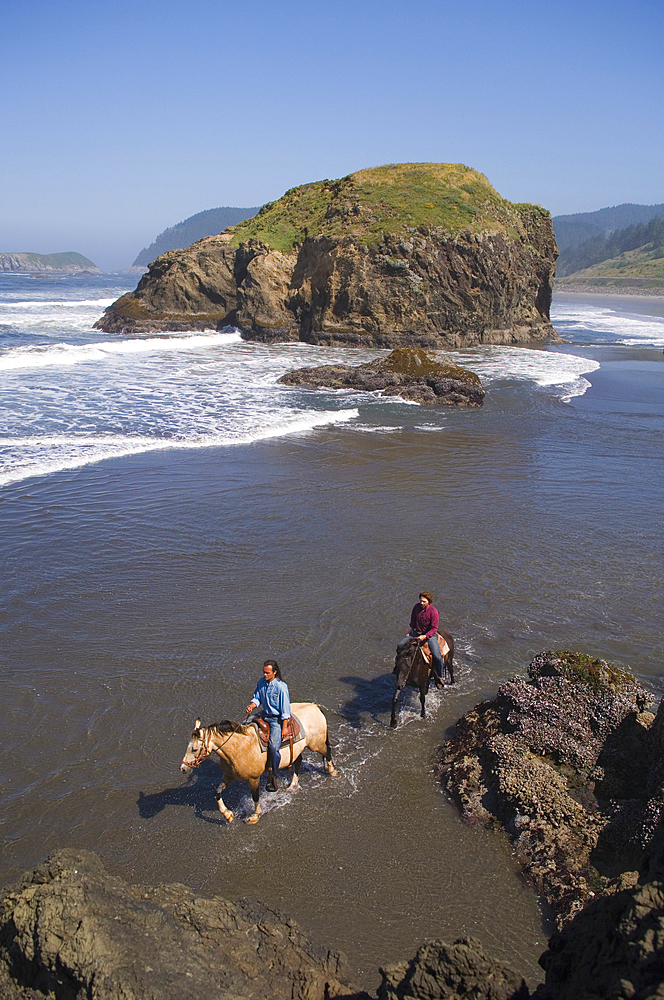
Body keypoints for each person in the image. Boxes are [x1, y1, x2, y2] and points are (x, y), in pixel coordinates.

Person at [246, 658, 292, 791]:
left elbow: (285, 711)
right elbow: (257, 697)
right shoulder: (261, 682)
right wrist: (252, 705)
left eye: (267, 673)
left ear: (275, 672)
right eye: (264, 672)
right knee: (244, 725)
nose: (265, 675)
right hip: (265, 713)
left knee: (273, 746)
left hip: (276, 719)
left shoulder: (281, 687)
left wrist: (284, 728)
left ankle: (274, 772)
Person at [397, 591, 445, 687]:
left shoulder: (434, 612)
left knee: (437, 656)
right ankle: (398, 668)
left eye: (424, 601)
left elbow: (434, 629)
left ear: (429, 602)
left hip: (430, 635)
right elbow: (413, 619)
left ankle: (439, 676)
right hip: (417, 632)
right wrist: (411, 629)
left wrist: (425, 636)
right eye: (421, 601)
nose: (421, 603)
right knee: (400, 645)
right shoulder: (416, 607)